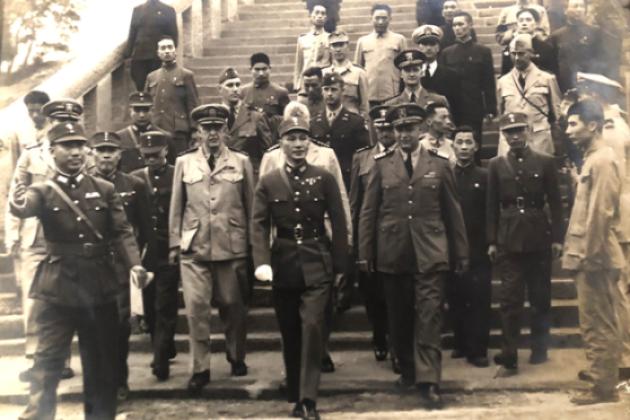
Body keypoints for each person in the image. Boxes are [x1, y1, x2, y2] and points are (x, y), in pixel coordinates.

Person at [10, 121, 147, 420]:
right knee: (47, 361)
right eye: (67, 146)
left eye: (79, 145)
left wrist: (135, 263)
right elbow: (25, 206)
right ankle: (38, 415)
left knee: (100, 365)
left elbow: (122, 231)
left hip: (98, 286)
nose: (75, 152)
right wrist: (16, 201)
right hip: (56, 287)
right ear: (51, 150)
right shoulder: (43, 189)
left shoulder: (104, 188)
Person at [358, 103, 468, 409]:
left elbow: (453, 213)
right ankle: (408, 369)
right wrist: (365, 252)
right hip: (393, 253)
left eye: (410, 128)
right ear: (392, 132)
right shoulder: (380, 165)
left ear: (421, 130)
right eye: (399, 129)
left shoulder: (441, 164)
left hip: (431, 252)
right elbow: (368, 213)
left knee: (429, 316)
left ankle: (429, 380)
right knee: (400, 317)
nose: (405, 135)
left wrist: (460, 252)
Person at [251, 114, 348, 420]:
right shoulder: (268, 182)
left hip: (317, 260)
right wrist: (262, 263)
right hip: (283, 263)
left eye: (302, 138)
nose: (297, 144)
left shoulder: (324, 178)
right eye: (291, 138)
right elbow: (258, 225)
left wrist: (341, 263)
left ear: (310, 142)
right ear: (280, 144)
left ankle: (308, 399)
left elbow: (340, 221)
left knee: (312, 327)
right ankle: (295, 391)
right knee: (290, 330)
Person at [169, 104, 254, 394]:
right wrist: (174, 243)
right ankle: (200, 368)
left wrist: (253, 245)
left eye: (217, 128)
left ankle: (236, 354)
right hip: (194, 249)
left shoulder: (241, 163)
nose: (212, 134)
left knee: (234, 306)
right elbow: (177, 207)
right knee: (196, 310)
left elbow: (251, 206)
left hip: (231, 246)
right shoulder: (185, 163)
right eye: (206, 129)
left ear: (225, 130)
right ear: (198, 132)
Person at [6, 99, 83, 384]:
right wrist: (12, 233)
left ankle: (61, 360)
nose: (61, 126)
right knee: (33, 300)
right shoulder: (31, 155)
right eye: (56, 121)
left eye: (67, 121)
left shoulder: (79, 154)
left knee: (64, 298)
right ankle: (34, 358)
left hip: (66, 237)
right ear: (48, 122)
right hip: (34, 235)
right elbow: (17, 193)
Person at [487, 112, 563, 377]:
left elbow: (555, 202)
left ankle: (539, 347)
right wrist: (492, 240)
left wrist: (556, 238)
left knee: (540, 297)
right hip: (509, 238)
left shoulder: (545, 162)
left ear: (529, 131)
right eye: (509, 132)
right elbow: (491, 206)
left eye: (519, 130)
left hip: (538, 234)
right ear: (504, 136)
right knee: (509, 299)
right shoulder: (496, 165)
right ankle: (509, 354)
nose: (515, 136)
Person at [562, 99, 625, 405]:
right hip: (592, 253)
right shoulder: (594, 158)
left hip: (595, 255)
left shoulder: (601, 160)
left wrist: (589, 255)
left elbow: (600, 214)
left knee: (597, 321)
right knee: (596, 319)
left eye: (573, 124)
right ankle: (602, 373)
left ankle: (603, 386)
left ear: (593, 126)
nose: (567, 130)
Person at [88, 131, 154, 401]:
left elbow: (145, 228)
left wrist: (140, 265)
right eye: (101, 149)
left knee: (119, 326)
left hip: (120, 266)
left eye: (112, 150)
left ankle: (119, 380)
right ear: (92, 153)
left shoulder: (134, 184)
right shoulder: (83, 184)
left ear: (120, 154)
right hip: (89, 265)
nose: (106, 155)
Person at [349, 105, 396, 369]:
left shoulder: (402, 156)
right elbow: (355, 203)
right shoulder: (362, 158)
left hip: (396, 234)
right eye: (380, 129)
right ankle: (380, 335)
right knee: (372, 292)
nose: (385, 134)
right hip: (371, 236)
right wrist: (355, 240)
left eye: (389, 129)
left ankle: (395, 339)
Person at [132, 131, 180, 381]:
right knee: (150, 306)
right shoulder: (136, 179)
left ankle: (160, 360)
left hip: (169, 248)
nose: (151, 159)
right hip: (147, 251)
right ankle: (164, 345)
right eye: (146, 154)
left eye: (156, 154)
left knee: (165, 304)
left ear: (165, 152)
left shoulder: (176, 174)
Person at [447, 126, 491, 367]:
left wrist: (491, 241)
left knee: (479, 298)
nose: (464, 147)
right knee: (456, 296)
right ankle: (461, 342)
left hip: (478, 247)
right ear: (452, 146)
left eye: (468, 142)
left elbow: (490, 212)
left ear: (476, 147)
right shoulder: (447, 175)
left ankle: (478, 349)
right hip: (453, 247)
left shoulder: (485, 176)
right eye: (459, 142)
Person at [440, 11, 496, 155]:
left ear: (470, 25)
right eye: (454, 25)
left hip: (474, 106)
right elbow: (444, 84)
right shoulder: (447, 53)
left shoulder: (483, 51)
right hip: (454, 108)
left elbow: (489, 82)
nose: (457, 28)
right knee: (454, 145)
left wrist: (490, 109)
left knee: (474, 143)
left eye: (461, 24)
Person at [496, 34, 562, 156]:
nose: (516, 58)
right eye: (513, 53)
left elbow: (556, 112)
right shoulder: (503, 82)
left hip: (538, 137)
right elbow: (501, 113)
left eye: (521, 54)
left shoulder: (547, 79)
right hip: (512, 138)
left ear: (531, 53)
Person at [310, 73, 370, 191]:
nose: (329, 94)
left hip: (346, 180)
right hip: (320, 180)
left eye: (334, 89)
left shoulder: (355, 122)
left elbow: (364, 156)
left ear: (342, 91)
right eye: (326, 89)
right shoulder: (314, 122)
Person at [145, 36, 199, 160]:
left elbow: (193, 104)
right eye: (163, 48)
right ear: (158, 53)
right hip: (157, 128)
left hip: (178, 131)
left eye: (170, 47)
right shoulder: (152, 77)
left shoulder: (186, 75)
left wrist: (194, 129)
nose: (167, 51)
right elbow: (147, 104)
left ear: (175, 51)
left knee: (179, 163)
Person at [218, 67, 273, 176]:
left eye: (238, 85)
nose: (235, 89)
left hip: (249, 176)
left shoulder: (256, 117)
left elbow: (267, 154)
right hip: (222, 178)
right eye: (230, 85)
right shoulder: (214, 118)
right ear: (219, 89)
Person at [354, 3, 407, 108]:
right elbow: (358, 69)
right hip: (369, 94)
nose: (380, 22)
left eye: (384, 18)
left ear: (390, 19)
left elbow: (405, 66)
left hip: (392, 94)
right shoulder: (363, 41)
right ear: (371, 19)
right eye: (377, 18)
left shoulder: (399, 40)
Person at [549, 0, 607, 92]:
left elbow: (601, 59)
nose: (579, 9)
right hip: (564, 86)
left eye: (582, 6)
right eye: (575, 6)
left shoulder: (595, 32)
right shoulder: (556, 36)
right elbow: (552, 65)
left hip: (590, 86)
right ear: (565, 10)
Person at [124, 0, 178, 91]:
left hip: (158, 58)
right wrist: (127, 54)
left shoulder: (168, 10)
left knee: (157, 88)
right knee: (140, 87)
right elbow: (132, 34)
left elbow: (174, 36)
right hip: (139, 57)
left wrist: (168, 54)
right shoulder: (138, 10)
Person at [413, 25, 461, 125]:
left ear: (438, 47)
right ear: (418, 47)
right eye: (424, 44)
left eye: (432, 44)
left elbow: (457, 105)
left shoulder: (451, 74)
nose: (428, 48)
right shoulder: (411, 75)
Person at [323, 31, 370, 117]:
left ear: (348, 47)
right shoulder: (324, 73)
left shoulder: (359, 73)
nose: (338, 49)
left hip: (352, 122)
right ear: (329, 49)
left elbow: (365, 106)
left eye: (341, 45)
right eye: (334, 46)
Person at [498, 8, 557, 76]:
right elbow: (505, 74)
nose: (524, 23)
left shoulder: (546, 48)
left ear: (536, 24)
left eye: (528, 20)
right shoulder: (510, 47)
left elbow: (552, 74)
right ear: (517, 24)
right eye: (521, 20)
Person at [116, 91, 162, 173]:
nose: (141, 115)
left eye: (146, 110)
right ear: (130, 111)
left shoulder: (163, 137)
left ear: (152, 110)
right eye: (137, 110)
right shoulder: (119, 138)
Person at [294, 3, 331, 92]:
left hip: (323, 81)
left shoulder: (330, 38)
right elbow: (299, 64)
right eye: (317, 13)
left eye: (322, 14)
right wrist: (297, 84)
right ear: (311, 16)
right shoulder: (303, 39)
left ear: (326, 18)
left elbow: (332, 63)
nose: (319, 16)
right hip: (307, 81)